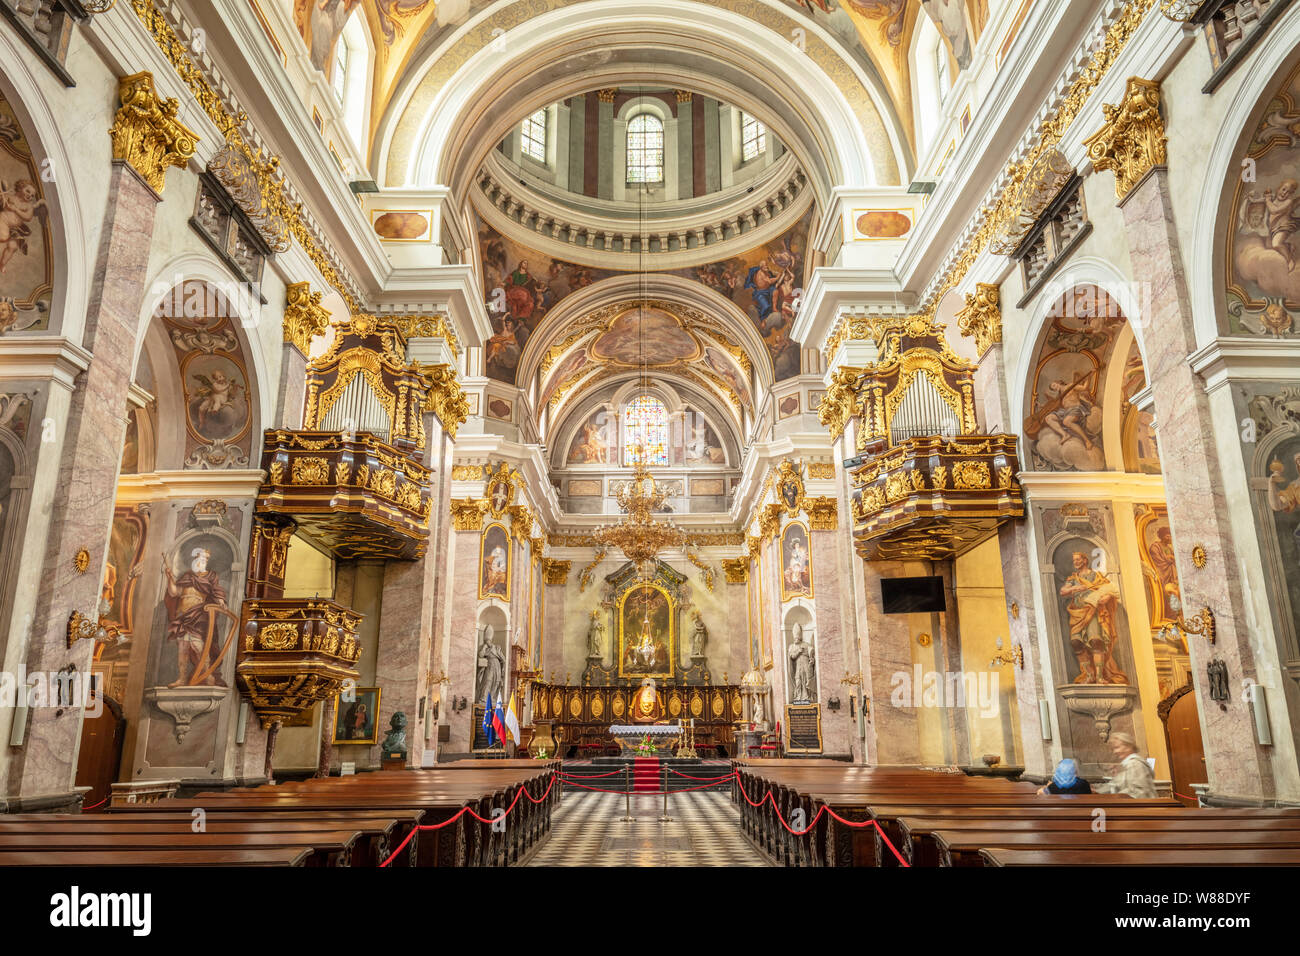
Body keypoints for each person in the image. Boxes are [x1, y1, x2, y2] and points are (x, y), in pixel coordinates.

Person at [1094, 732, 1157, 798]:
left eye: (1117, 747)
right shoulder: (1126, 764)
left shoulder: (1135, 763)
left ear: (1129, 746)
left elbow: (1139, 791)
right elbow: (1115, 785)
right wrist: (1097, 790)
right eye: (1113, 749)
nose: (1115, 752)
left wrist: (1115, 797)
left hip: (1142, 806)